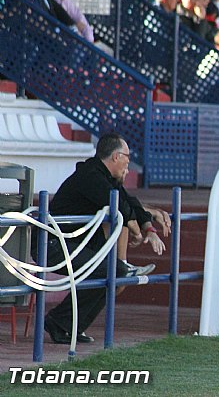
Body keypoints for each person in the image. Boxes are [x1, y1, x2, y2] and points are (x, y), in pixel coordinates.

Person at [41, 133, 169, 344]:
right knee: (115, 270)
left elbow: (129, 201)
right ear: (117, 156)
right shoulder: (91, 176)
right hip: (54, 245)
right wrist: (137, 230)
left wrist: (149, 228)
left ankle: (70, 327)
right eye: (128, 156)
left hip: (74, 242)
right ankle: (58, 321)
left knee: (114, 273)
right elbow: (120, 207)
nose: (130, 161)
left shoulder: (105, 177)